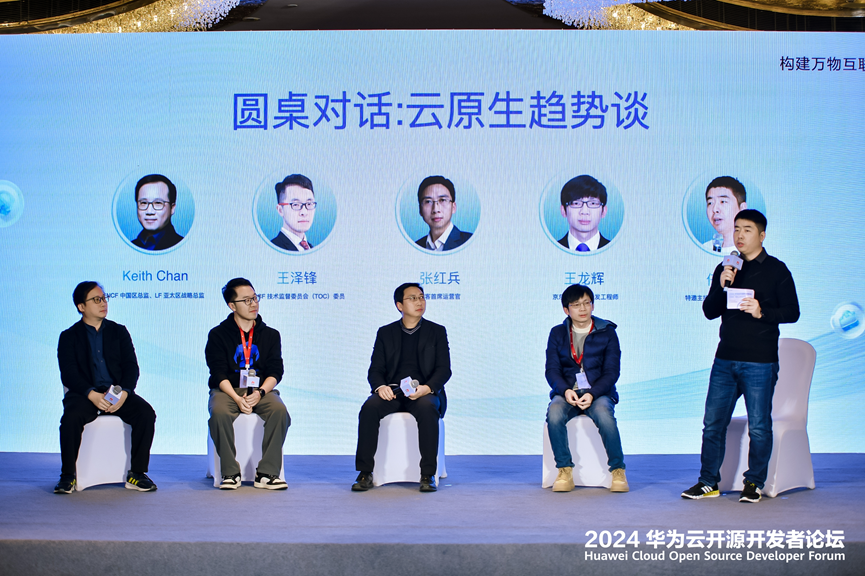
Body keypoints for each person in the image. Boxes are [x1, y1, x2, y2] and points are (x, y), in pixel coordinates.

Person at [683, 209, 799, 503]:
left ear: (762, 235)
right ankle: (708, 482)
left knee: (759, 426)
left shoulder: (777, 270)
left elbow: (792, 312)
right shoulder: (726, 268)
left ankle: (754, 482)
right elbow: (709, 311)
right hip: (725, 360)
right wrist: (723, 285)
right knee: (713, 424)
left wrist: (762, 312)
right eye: (736, 229)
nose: (739, 235)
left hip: (760, 361)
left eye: (747, 229)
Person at [55, 282, 157, 493]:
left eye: (104, 298)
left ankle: (137, 474)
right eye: (96, 300)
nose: (103, 303)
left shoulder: (119, 331)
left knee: (145, 413)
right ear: (81, 306)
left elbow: (131, 367)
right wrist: (90, 394)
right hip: (85, 394)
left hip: (116, 392)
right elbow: (69, 373)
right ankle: (68, 476)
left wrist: (125, 393)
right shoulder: (69, 336)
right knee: (71, 419)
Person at [353, 283, 450, 492]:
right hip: (393, 391)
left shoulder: (437, 331)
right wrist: (380, 387)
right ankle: (365, 472)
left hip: (423, 392)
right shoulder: (385, 332)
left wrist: (427, 388)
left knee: (427, 408)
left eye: (421, 297)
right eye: (412, 298)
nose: (419, 302)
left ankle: (427, 474)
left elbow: (444, 370)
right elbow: (375, 369)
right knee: (369, 408)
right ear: (399, 305)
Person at [205, 278, 290, 490]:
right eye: (246, 300)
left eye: (255, 298)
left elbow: (276, 371)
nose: (254, 304)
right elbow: (217, 372)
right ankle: (230, 472)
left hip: (261, 390)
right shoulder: (218, 334)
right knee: (219, 413)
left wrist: (260, 393)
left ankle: (267, 473)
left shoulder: (271, 334)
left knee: (279, 411)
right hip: (227, 390)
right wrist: (236, 398)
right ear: (232, 306)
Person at [545, 284, 628, 493]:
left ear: (592, 305)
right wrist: (565, 391)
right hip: (568, 393)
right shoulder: (557, 333)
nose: (582, 308)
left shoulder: (607, 332)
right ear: (566, 309)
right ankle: (564, 470)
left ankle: (618, 470)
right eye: (576, 304)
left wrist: (592, 393)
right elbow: (552, 370)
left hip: (598, 393)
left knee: (604, 413)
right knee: (554, 412)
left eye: (586, 303)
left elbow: (612, 372)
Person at [414, 175, 472, 251]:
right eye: (428, 201)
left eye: (442, 200)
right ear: (420, 210)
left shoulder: (470, 242)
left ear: (453, 207)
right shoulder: (415, 247)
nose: (435, 209)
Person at [557, 175, 611, 252]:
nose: (584, 212)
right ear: (563, 211)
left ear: (604, 211)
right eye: (576, 203)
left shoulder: (616, 250)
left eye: (593, 203)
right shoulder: (551, 249)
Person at [131, 174, 184, 250]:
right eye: (143, 203)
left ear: (172, 208)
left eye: (158, 203)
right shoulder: (128, 246)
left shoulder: (183, 246)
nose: (149, 211)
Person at [271, 174, 317, 251]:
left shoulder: (312, 248)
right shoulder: (273, 248)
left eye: (309, 204)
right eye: (295, 204)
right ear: (280, 210)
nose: (304, 212)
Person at [701, 176, 747, 254]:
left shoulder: (752, 250)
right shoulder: (705, 248)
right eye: (710, 203)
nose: (715, 209)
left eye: (723, 201)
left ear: (742, 208)